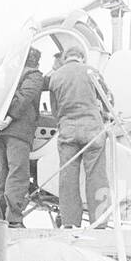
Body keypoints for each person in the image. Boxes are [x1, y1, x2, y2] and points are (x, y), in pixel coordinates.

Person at [48, 45, 112, 228]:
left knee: (68, 177)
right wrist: (103, 113)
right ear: (82, 57)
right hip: (92, 130)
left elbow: (55, 111)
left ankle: (69, 223)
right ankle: (99, 223)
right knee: (97, 177)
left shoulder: (55, 77)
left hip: (68, 131)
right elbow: (109, 100)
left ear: (65, 58)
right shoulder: (91, 72)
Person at [0, 47, 45, 227]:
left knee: (2, 175)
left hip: (0, 134)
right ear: (36, 61)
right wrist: (10, 118)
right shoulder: (34, 75)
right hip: (19, 132)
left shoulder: (10, 77)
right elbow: (25, 96)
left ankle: (3, 219)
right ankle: (14, 219)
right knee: (18, 174)